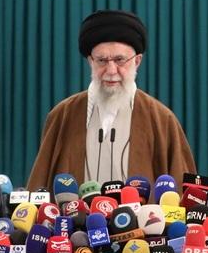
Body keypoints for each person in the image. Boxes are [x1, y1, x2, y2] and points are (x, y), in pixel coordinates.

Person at [26, 10, 196, 189]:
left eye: (119, 60)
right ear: (90, 61)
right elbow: (39, 187)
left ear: (137, 61)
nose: (111, 70)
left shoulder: (162, 120)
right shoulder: (62, 116)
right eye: (102, 60)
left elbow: (182, 192)